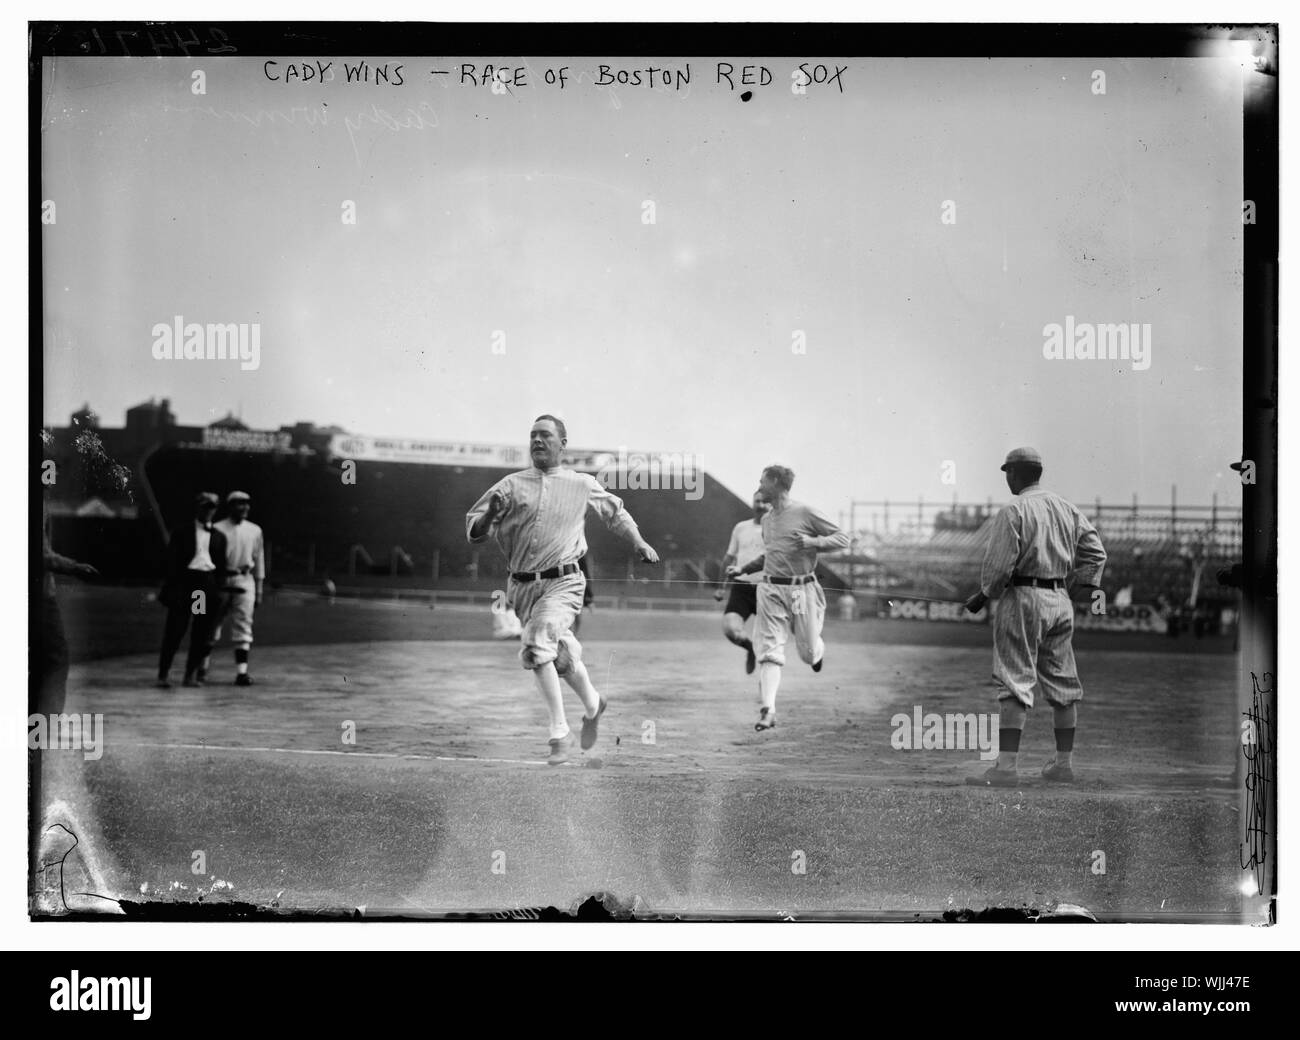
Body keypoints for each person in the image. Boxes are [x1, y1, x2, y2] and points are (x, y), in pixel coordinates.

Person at [466, 415, 658, 765]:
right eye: (533, 435)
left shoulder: (581, 483)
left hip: (565, 581)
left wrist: (640, 543)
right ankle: (594, 704)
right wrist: (489, 514)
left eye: (545, 435)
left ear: (562, 444)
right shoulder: (508, 486)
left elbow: (616, 513)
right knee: (562, 657)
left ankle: (559, 733)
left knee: (537, 642)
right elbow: (476, 530)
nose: (537, 441)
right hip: (522, 587)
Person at [962, 447, 1107, 787]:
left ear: (1014, 473)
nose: (1007, 478)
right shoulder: (1066, 507)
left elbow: (998, 568)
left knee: (1014, 678)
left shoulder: (1015, 509)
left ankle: (1006, 768)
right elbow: (1096, 553)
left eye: (1007, 472)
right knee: (1064, 683)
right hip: (1059, 598)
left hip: (1023, 597)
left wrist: (983, 595)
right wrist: (1075, 585)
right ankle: (1063, 765)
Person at [728, 465, 848, 731]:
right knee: (769, 652)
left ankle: (816, 651)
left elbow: (843, 538)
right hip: (770, 590)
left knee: (806, 653)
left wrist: (815, 543)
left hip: (799, 591)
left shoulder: (805, 512)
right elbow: (770, 555)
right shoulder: (768, 520)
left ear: (777, 484)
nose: (759, 487)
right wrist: (744, 569)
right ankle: (768, 711)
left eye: (762, 482)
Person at [157, 492, 228, 689]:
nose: (208, 511)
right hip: (184, 584)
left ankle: (190, 675)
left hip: (202, 588)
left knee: (200, 631)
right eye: (205, 507)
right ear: (198, 507)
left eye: (212, 507)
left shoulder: (219, 537)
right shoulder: (182, 533)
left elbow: (221, 566)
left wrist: (218, 589)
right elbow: (171, 562)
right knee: (175, 630)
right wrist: (171, 589)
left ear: (215, 510)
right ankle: (163, 675)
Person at [208, 491, 266, 686]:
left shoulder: (255, 530)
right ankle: (202, 668)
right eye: (239, 503)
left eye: (247, 504)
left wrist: (258, 590)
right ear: (230, 506)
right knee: (212, 624)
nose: (244, 507)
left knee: (243, 624)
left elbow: (259, 561)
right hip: (221, 580)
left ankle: (242, 673)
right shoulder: (216, 528)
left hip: (245, 579)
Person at [714, 490, 771, 674]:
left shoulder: (776, 529)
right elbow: (728, 558)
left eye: (765, 502)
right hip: (741, 587)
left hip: (766, 589)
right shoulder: (741, 528)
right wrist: (720, 587)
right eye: (757, 501)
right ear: (753, 503)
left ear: (771, 504)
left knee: (769, 642)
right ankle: (750, 649)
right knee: (731, 629)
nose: (761, 505)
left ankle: (767, 689)